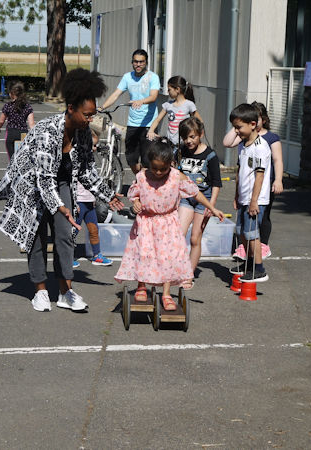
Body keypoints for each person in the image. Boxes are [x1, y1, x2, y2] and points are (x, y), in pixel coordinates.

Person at [0, 68, 124, 312]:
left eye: (92, 115)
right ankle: (40, 291)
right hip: (30, 183)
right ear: (71, 108)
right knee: (37, 235)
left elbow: (86, 171)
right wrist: (61, 207)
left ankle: (65, 291)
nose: (90, 120)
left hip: (61, 180)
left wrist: (107, 195)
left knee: (65, 233)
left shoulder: (84, 133)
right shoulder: (47, 132)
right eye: (87, 115)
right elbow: (43, 180)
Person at [115, 138, 224, 310]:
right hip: (146, 222)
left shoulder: (176, 176)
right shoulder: (142, 177)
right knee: (145, 254)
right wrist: (135, 203)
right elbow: (134, 195)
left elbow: (196, 193)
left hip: (168, 223)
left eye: (163, 169)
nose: (158, 172)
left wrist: (213, 208)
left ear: (171, 164)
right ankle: (142, 286)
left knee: (168, 258)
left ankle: (166, 293)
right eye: (155, 168)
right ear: (149, 163)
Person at [224, 101, 284, 260]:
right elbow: (227, 143)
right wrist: (237, 124)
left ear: (261, 120)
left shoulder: (268, 140)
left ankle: (261, 249)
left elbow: (277, 160)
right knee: (244, 227)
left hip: (264, 185)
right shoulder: (244, 138)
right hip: (246, 188)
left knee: (260, 220)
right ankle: (249, 254)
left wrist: (278, 180)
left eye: (256, 118)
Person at [175, 117, 222, 290]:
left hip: (205, 200)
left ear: (200, 134)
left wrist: (212, 206)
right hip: (186, 198)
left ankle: (188, 275)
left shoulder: (210, 155)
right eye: (185, 137)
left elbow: (217, 183)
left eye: (192, 137)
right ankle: (177, 270)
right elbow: (175, 174)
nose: (188, 141)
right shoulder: (180, 151)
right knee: (179, 234)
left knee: (195, 238)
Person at [230, 103, 272, 282]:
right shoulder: (245, 145)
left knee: (252, 233)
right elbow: (241, 172)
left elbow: (259, 176)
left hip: (256, 199)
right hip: (244, 198)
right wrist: (237, 195)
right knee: (242, 231)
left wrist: (254, 201)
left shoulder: (260, 147)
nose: (236, 131)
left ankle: (259, 269)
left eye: (239, 127)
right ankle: (248, 263)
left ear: (253, 124)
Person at [100, 49, 160, 174]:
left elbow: (153, 96)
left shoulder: (153, 77)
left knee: (147, 160)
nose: (138, 64)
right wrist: (102, 107)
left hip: (149, 125)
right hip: (133, 123)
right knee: (131, 159)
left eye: (141, 62)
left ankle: (145, 185)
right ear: (132, 62)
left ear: (146, 62)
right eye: (135, 62)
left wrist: (141, 101)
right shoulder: (127, 77)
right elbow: (116, 94)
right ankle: (140, 180)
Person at [73, 132, 113, 268]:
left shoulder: (90, 159)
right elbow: (71, 183)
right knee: (73, 231)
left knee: (94, 230)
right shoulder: (76, 161)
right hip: (78, 201)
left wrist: (96, 197)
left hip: (89, 201)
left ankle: (97, 255)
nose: (95, 148)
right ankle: (68, 256)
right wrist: (73, 203)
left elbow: (95, 181)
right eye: (93, 145)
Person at [147, 75, 203, 148]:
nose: (168, 91)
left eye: (169, 89)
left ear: (177, 89)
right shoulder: (168, 105)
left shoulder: (189, 104)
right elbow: (157, 120)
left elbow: (200, 121)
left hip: (184, 144)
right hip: (170, 144)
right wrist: (151, 131)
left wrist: (195, 137)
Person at [0, 81, 35, 160]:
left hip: (11, 133)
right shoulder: (27, 106)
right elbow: (31, 124)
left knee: (12, 160)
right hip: (23, 134)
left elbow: (1, 121)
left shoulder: (8, 106)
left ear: (12, 94)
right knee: (22, 159)